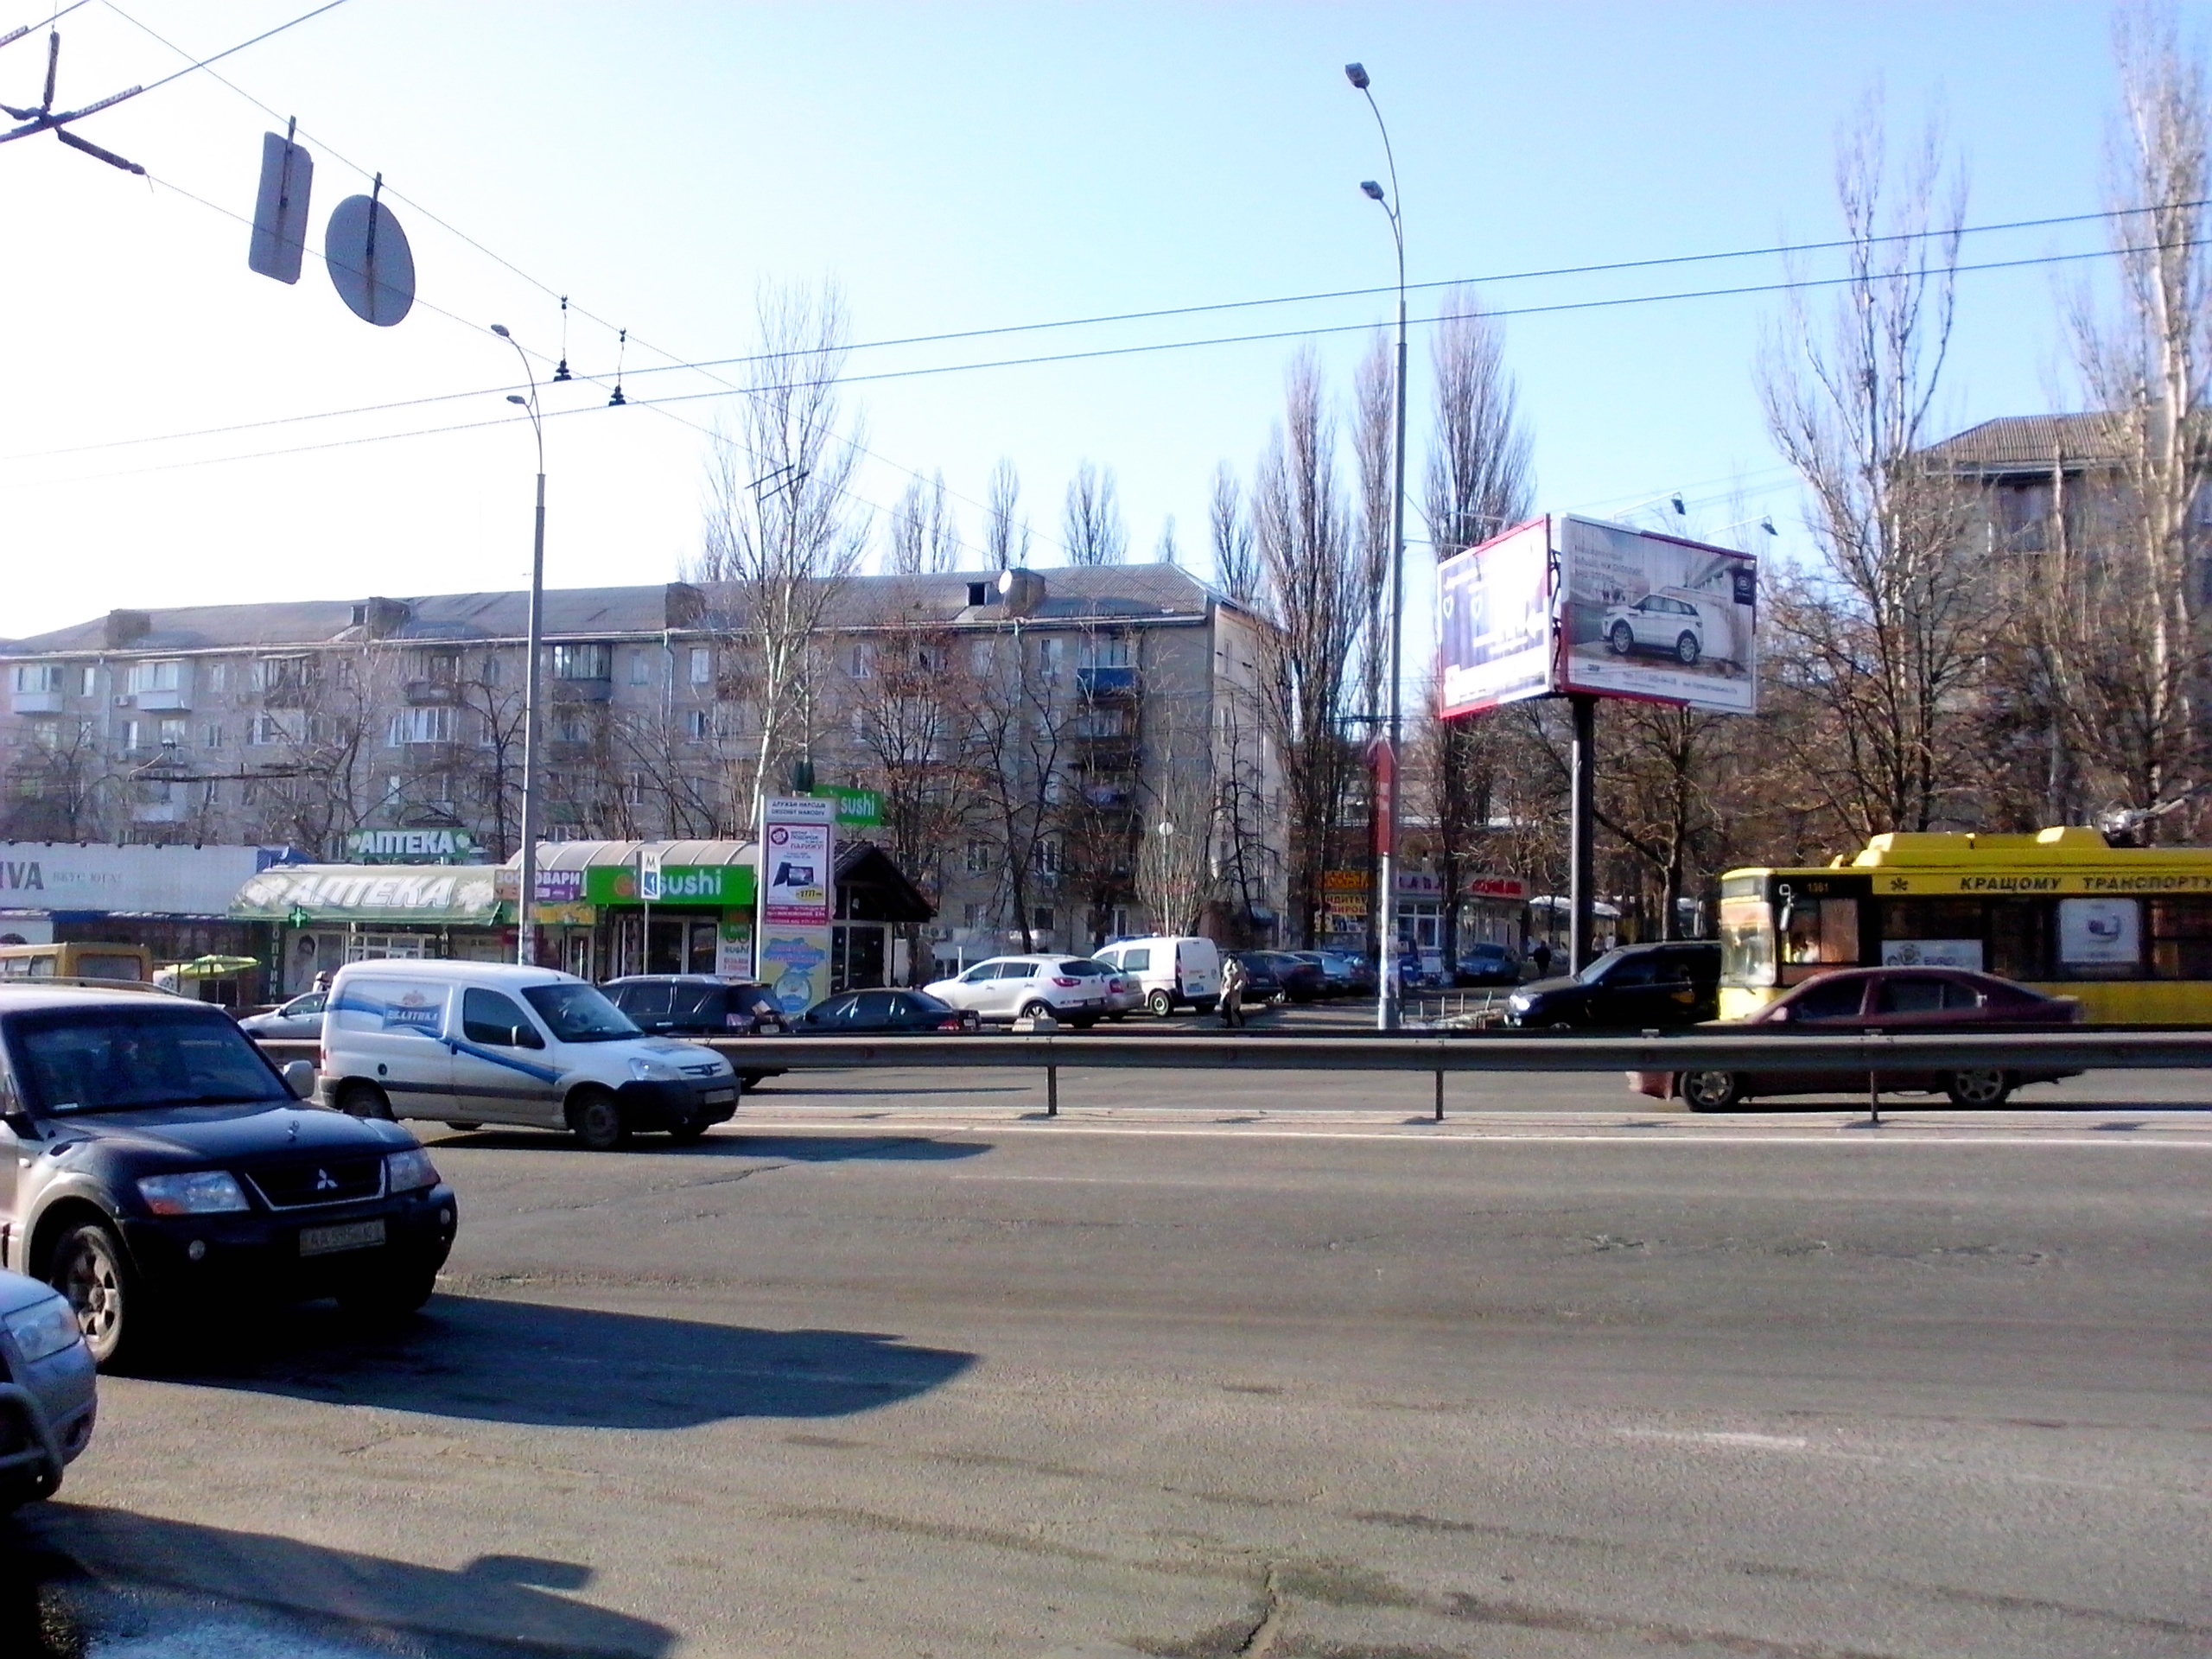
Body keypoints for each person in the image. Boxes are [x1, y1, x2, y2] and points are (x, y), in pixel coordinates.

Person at [1218, 952, 1249, 1028]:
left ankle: (1242, 1021)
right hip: (1227, 988)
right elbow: (1224, 977)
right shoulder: (1227, 965)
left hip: (1235, 989)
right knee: (1226, 1004)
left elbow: (1242, 979)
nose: (1231, 960)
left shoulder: (1239, 966)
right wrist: (1222, 987)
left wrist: (1237, 987)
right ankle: (1229, 1022)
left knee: (1235, 1008)